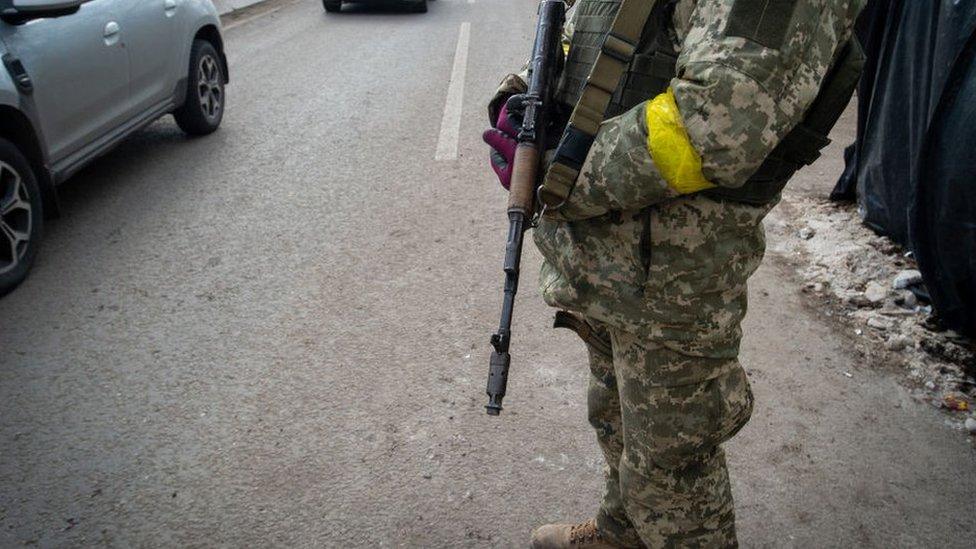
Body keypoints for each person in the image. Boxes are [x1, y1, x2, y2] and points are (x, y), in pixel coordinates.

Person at [483, 0, 866, 547]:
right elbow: (593, 35)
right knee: (615, 413)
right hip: (612, 253)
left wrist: (561, 171)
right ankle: (625, 533)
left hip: (674, 270)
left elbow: (721, 124)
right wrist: (523, 96)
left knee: (670, 461)